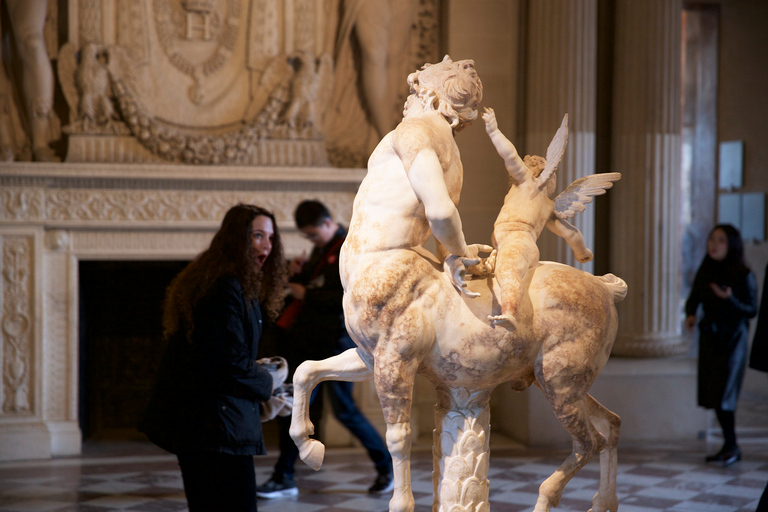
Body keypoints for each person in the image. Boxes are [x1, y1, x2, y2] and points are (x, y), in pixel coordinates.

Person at [139, 203, 289, 512]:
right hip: (210, 428)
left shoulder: (233, 283)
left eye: (271, 237)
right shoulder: (224, 286)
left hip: (213, 424)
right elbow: (228, 362)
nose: (267, 245)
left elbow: (224, 355)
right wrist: (268, 381)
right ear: (237, 238)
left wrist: (262, 382)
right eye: (257, 235)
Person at [256, 200, 394, 498]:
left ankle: (387, 467)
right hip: (316, 345)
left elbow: (350, 299)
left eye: (313, 234)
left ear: (328, 223)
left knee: (341, 412)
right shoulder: (325, 249)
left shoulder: (349, 250)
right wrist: (299, 275)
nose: (311, 241)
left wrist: (307, 292)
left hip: (337, 344)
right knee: (302, 409)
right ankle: (285, 476)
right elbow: (319, 284)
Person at [482, 108, 620, 330]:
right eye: (550, 172)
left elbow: (509, 155)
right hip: (502, 243)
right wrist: (581, 252)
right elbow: (572, 234)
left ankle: (509, 311)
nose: (553, 177)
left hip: (519, 240)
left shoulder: (540, 197)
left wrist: (494, 130)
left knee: (508, 269)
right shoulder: (525, 187)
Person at [685, 224, 758, 467]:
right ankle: (729, 446)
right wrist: (691, 314)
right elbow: (694, 297)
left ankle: (732, 446)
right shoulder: (706, 270)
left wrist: (730, 299)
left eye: (721, 241)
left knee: (725, 395)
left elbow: (751, 309)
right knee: (714, 395)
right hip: (710, 338)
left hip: (733, 341)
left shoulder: (743, 274)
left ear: (732, 245)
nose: (714, 245)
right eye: (712, 239)